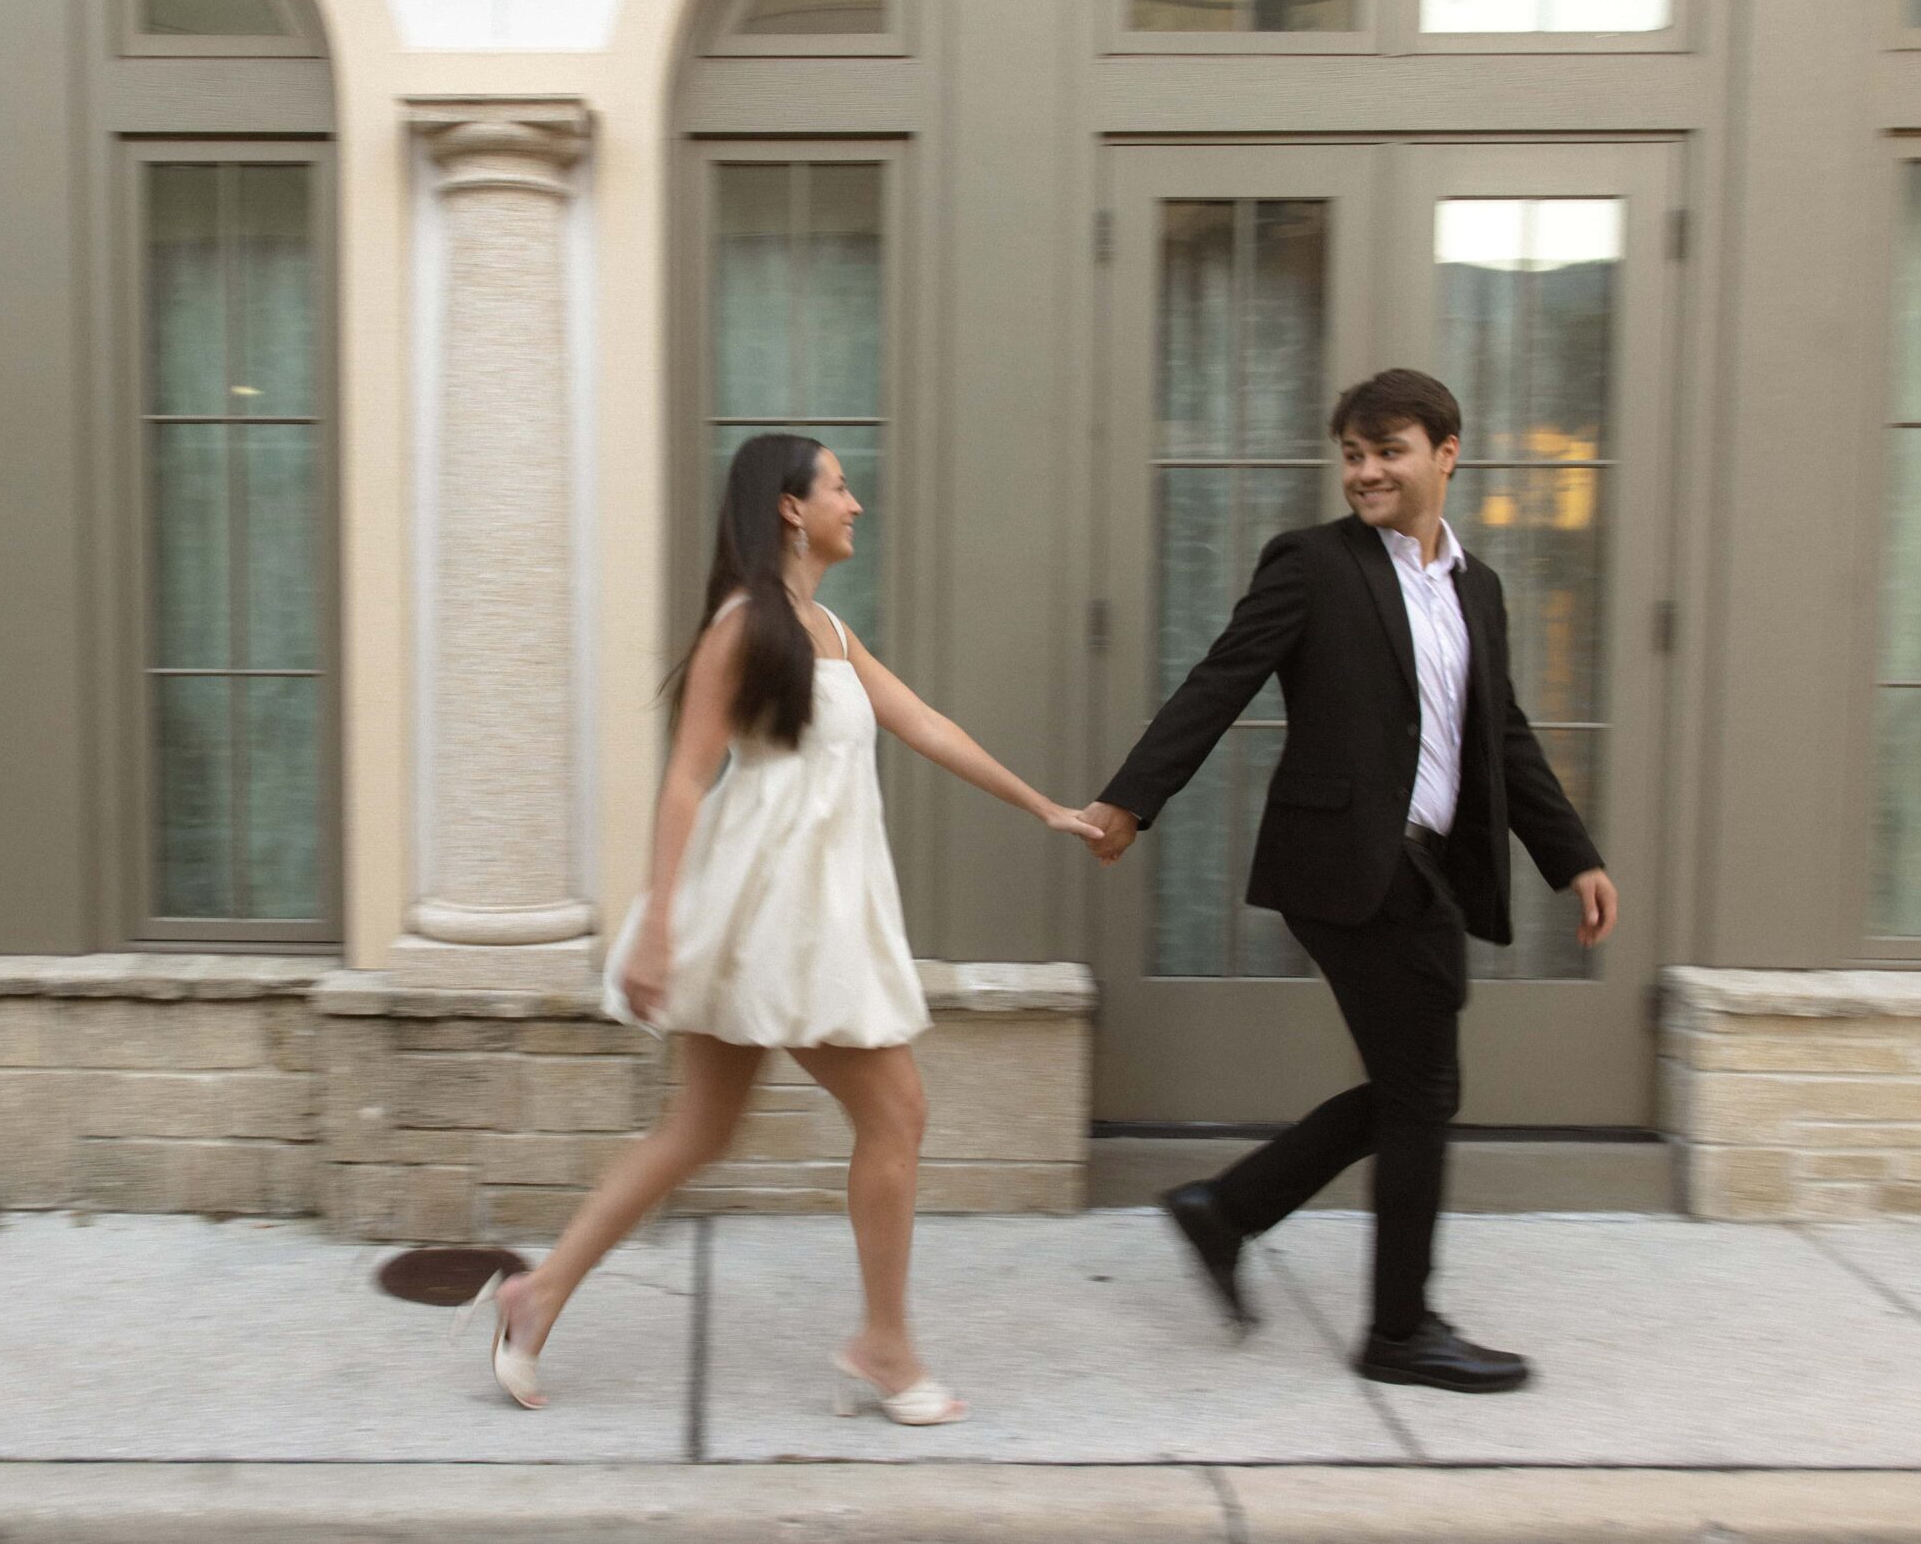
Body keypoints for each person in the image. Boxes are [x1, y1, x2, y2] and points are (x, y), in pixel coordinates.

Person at [467, 432, 1104, 1422]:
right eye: (841, 489)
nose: (857, 504)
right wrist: (655, 925)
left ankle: (535, 1295)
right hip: (772, 914)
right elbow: (687, 773)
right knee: (894, 1115)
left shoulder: (829, 630)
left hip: (803, 909)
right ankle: (884, 1349)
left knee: (698, 1128)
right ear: (788, 507)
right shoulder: (743, 624)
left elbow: (926, 725)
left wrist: (1047, 809)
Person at [1082, 368, 1617, 1395]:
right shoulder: (1315, 566)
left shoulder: (1477, 588)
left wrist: (1573, 856)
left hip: (1423, 864)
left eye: (1388, 451)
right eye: (1353, 455)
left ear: (1445, 452)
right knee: (1422, 1092)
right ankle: (1397, 1330)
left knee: (1415, 1089)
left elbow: (1499, 734)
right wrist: (1130, 801)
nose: (1366, 472)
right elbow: (1221, 676)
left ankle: (1227, 1211)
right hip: (1341, 864)